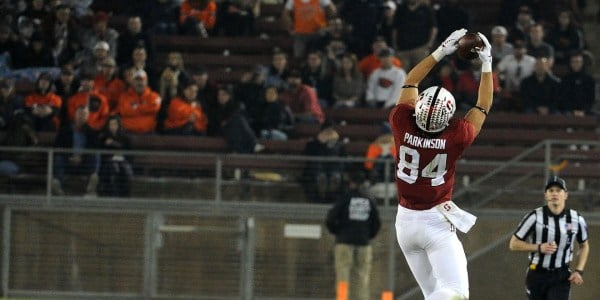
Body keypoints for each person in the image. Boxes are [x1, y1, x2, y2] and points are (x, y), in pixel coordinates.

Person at [390, 28, 493, 300]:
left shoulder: (402, 122)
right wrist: (487, 63)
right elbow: (482, 106)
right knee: (455, 292)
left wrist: (440, 52)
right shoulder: (455, 137)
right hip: (434, 222)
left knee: (434, 293)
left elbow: (410, 83)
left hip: (404, 222)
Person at [509, 176, 589, 300]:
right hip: (537, 273)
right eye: (551, 191)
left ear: (565, 195)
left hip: (561, 275)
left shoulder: (577, 219)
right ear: (546, 195)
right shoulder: (534, 216)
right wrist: (539, 247)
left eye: (558, 190)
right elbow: (513, 244)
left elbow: (584, 245)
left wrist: (579, 270)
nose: (555, 193)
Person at [325, 170, 381, 300]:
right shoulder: (369, 200)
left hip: (344, 242)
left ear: (350, 183)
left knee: (343, 277)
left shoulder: (344, 199)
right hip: (363, 243)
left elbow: (330, 219)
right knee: (362, 278)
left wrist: (338, 232)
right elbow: (376, 223)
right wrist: (367, 235)